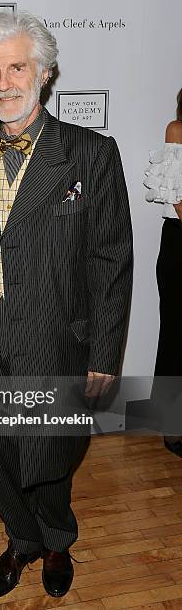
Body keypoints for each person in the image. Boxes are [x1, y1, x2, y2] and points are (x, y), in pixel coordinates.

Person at [0, 11, 133, 599]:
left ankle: (56, 541)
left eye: (17, 67)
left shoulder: (91, 153)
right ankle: (21, 541)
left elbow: (110, 263)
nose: (5, 82)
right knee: (1, 450)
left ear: (45, 72)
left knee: (50, 455)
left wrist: (105, 356)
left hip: (55, 337)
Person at [144, 88, 182, 457]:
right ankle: (172, 427)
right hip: (180, 246)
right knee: (176, 336)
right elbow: (176, 196)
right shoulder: (178, 129)